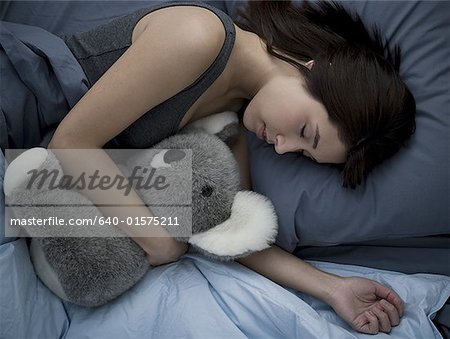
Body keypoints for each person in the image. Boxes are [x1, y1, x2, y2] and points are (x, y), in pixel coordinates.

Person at [47, 1, 415, 335]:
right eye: (305, 132)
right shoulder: (201, 35)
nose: (284, 146)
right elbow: (71, 142)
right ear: (313, 70)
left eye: (302, 154)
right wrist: (159, 241)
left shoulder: (232, 122)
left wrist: (334, 289)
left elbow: (231, 231)